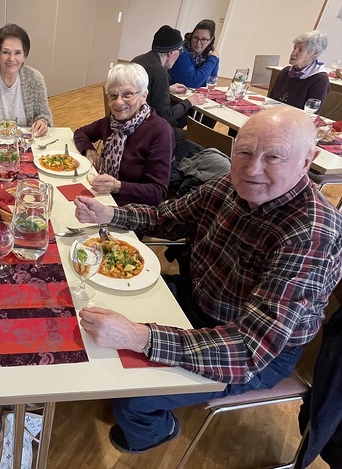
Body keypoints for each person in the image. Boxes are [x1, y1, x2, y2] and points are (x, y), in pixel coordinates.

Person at [72, 106, 342, 454]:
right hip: (195, 303)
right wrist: (110, 213)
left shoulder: (310, 233)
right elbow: (167, 216)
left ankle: (156, 431)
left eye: (274, 156)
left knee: (136, 397)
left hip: (257, 352)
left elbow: (249, 348)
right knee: (95, 308)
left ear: (307, 161)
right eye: (243, 151)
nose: (252, 168)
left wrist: (140, 336)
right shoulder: (230, 185)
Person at [73, 62, 174, 206]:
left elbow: (157, 192)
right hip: (103, 197)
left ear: (143, 96)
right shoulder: (112, 121)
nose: (118, 102)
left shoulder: (160, 131)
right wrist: (89, 151)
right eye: (113, 96)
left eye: (128, 94)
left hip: (133, 210)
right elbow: (81, 133)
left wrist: (118, 186)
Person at [132, 25, 206, 129]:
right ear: (171, 53)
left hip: (130, 120)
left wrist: (167, 89)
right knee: (192, 138)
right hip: (146, 129)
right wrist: (191, 101)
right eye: (180, 52)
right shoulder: (159, 72)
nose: (179, 55)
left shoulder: (138, 60)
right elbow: (165, 115)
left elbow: (145, 92)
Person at [268, 30, 329, 111]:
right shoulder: (285, 72)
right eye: (294, 48)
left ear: (314, 53)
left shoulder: (319, 79)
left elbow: (312, 113)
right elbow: (271, 100)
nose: (293, 53)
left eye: (300, 50)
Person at [169, 19, 219, 89]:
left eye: (204, 39)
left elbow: (211, 82)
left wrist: (213, 59)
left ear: (211, 40)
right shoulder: (181, 51)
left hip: (196, 96)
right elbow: (192, 82)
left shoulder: (211, 54)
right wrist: (213, 60)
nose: (198, 43)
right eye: (195, 38)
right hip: (175, 97)